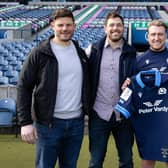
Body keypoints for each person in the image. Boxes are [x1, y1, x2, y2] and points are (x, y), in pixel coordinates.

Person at [17, 8, 90, 168]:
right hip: (48, 125)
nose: (65, 28)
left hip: (76, 123)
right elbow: (24, 86)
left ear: (74, 26)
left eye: (68, 25)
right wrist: (25, 122)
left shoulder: (80, 53)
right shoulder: (39, 53)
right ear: (52, 26)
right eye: (60, 25)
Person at [86, 11, 136, 168]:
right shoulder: (93, 51)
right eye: (112, 25)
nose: (115, 28)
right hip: (99, 114)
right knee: (95, 161)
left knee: (126, 161)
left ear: (123, 28)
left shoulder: (132, 53)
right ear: (105, 28)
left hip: (124, 116)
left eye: (119, 25)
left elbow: (137, 81)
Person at [122, 20, 168, 168]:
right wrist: (128, 85)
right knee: (148, 158)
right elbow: (131, 85)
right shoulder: (138, 61)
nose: (157, 38)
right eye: (153, 34)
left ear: (165, 35)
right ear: (147, 36)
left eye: (160, 34)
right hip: (148, 118)